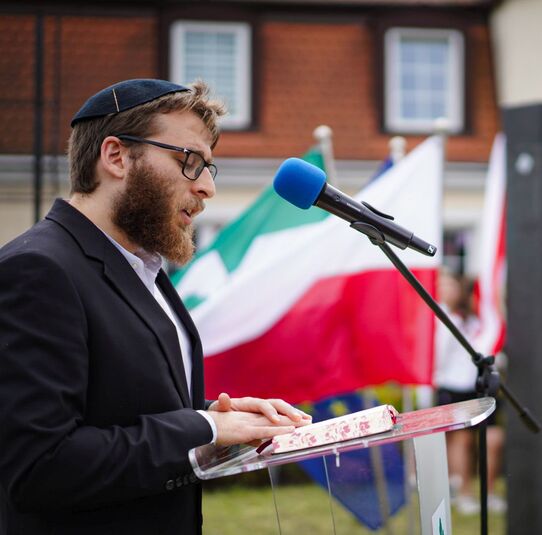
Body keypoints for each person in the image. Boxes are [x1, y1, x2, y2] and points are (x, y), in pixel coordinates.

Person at [0, 79, 311, 534]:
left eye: (208, 167)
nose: (206, 187)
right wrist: (201, 428)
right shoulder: (38, 269)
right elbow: (40, 466)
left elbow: (116, 410)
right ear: (116, 156)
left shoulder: (143, 269)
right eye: (189, 161)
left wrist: (220, 419)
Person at [433, 270, 506, 515]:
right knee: (462, 441)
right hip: (454, 388)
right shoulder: (447, 321)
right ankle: (464, 493)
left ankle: (489, 492)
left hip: (481, 386)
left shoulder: (482, 322)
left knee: (492, 440)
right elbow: (438, 359)